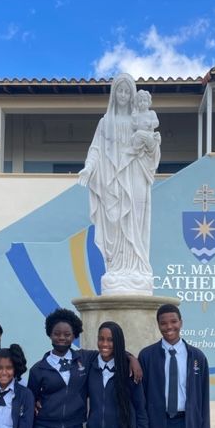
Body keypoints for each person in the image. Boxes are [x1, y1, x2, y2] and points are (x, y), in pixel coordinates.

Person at [78, 72, 161, 295]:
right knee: (115, 227)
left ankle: (137, 267)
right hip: (112, 180)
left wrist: (151, 144)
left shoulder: (140, 119)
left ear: (132, 94)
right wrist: (88, 167)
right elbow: (95, 149)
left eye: (127, 91)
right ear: (114, 94)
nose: (123, 95)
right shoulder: (105, 123)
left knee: (135, 218)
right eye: (120, 91)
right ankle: (117, 268)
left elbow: (151, 147)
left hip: (135, 174)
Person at [131, 89, 161, 153]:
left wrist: (150, 123)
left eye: (144, 100)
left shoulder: (151, 113)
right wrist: (134, 119)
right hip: (138, 138)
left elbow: (157, 123)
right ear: (137, 103)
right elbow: (134, 127)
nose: (142, 103)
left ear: (149, 102)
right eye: (140, 101)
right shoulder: (137, 115)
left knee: (139, 134)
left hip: (149, 135)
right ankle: (136, 151)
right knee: (137, 135)